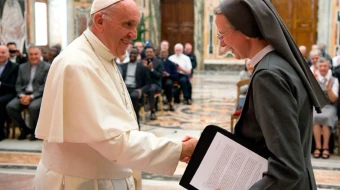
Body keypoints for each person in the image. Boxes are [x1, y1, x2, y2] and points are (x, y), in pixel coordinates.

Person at [34, 0, 197, 189]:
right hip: (82, 182)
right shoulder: (77, 64)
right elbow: (114, 140)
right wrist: (180, 149)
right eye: (128, 24)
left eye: (135, 25)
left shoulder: (101, 55)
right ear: (100, 21)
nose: (134, 34)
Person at [214, 0, 327, 189]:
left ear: (245, 31)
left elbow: (287, 169)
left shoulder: (268, 75)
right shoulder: (278, 64)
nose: (222, 43)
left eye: (222, 34)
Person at [6, 46, 50, 141]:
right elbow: (18, 84)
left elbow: (45, 85)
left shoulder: (47, 67)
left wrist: (31, 97)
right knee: (10, 107)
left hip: (38, 95)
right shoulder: (22, 67)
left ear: (40, 55)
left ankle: (35, 131)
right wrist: (21, 96)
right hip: (24, 94)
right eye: (31, 54)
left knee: (33, 107)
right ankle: (25, 129)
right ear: (28, 55)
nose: (33, 57)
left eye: (36, 54)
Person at [312, 58, 338, 159]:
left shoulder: (334, 80)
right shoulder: (315, 78)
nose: (323, 68)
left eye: (325, 66)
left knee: (327, 117)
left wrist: (328, 88)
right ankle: (318, 147)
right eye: (321, 66)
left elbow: (333, 99)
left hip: (330, 106)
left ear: (328, 67)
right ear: (318, 67)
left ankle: (326, 147)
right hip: (318, 106)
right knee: (315, 117)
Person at [0, 45, 19, 141]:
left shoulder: (14, 67)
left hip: (9, 93)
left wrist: (1, 84)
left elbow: (14, 86)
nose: (1, 55)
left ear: (8, 54)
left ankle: (1, 132)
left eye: (3, 52)